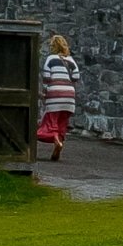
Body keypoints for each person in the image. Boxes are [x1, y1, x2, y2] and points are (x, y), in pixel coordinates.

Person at [37, 33, 80, 162]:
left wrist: (45, 93)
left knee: (51, 122)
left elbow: (46, 78)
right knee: (62, 123)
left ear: (53, 46)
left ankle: (56, 140)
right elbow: (76, 77)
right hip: (69, 97)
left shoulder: (51, 59)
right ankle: (59, 144)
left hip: (55, 95)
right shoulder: (71, 60)